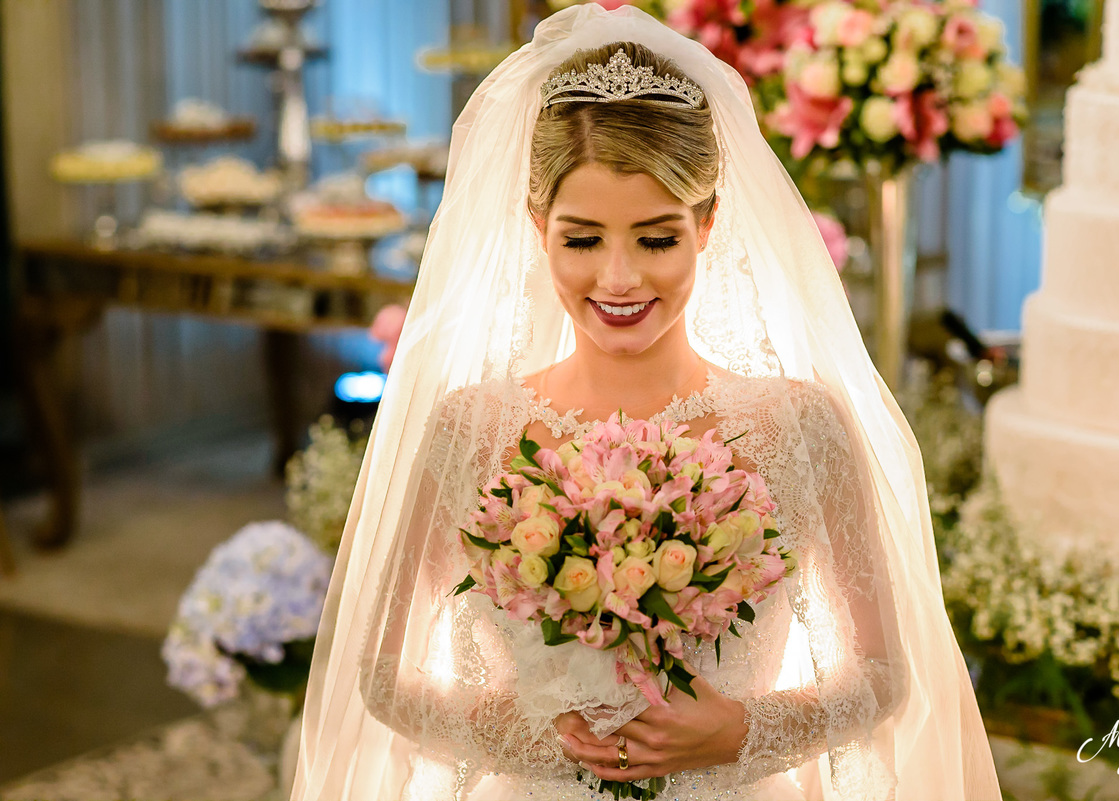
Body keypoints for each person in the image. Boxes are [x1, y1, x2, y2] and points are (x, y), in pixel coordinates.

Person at [291, 5, 1001, 800]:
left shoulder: (799, 425)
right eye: (583, 238)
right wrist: (537, 740)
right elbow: (380, 672)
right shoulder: (473, 428)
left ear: (707, 224)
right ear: (539, 228)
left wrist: (741, 730)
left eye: (656, 238)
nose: (620, 278)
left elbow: (883, 675)